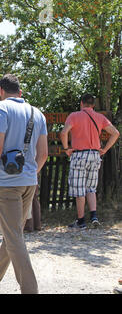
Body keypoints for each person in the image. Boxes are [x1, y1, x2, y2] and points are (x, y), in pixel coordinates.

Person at [0, 74, 48, 294]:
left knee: (14, 236)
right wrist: (30, 173)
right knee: (13, 234)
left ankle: (30, 291)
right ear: (19, 92)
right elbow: (44, 154)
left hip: (6, 184)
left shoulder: (1, 109)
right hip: (29, 182)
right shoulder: (37, 113)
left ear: (1, 90)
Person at [60, 94, 120, 229]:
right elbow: (115, 133)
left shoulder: (74, 116)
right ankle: (94, 216)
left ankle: (81, 221)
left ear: (81, 103)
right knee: (91, 188)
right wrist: (105, 149)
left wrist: (66, 149)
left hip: (79, 154)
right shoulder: (100, 117)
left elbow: (64, 133)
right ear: (93, 105)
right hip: (94, 154)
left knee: (79, 189)